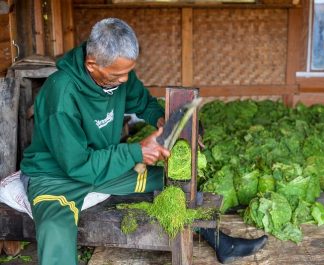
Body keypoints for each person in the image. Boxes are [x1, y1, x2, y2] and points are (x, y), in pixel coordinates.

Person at [20, 18, 267, 265]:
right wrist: (136, 152)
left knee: (176, 183)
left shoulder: (117, 74)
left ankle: (222, 243)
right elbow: (78, 166)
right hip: (56, 176)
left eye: (128, 72)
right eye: (118, 74)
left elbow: (143, 102)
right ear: (92, 64)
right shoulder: (61, 95)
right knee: (54, 230)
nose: (125, 80)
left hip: (102, 165)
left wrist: (163, 120)